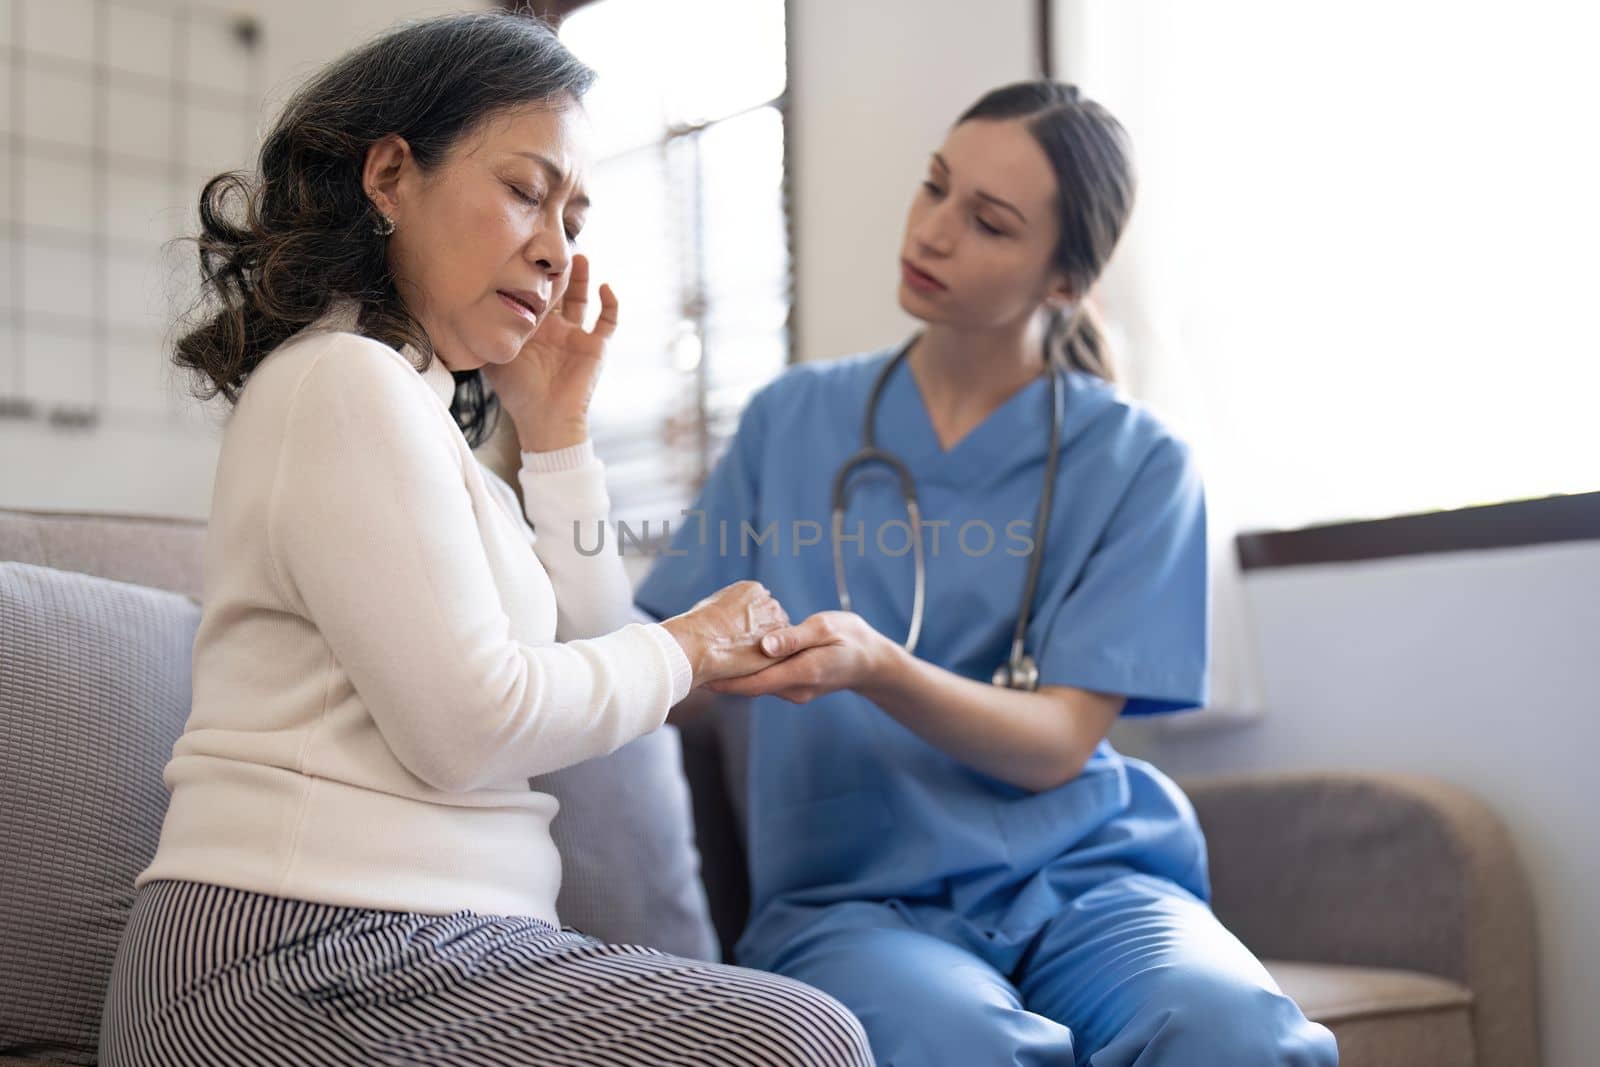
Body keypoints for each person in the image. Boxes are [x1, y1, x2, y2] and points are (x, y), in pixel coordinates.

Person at [98, 13, 873, 1066]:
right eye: (525, 191)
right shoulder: (343, 380)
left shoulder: (413, 412)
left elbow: (593, 636)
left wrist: (555, 432)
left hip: (417, 942)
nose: (557, 247)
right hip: (293, 955)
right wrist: (688, 645)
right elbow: (469, 725)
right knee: (798, 1037)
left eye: (575, 213)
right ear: (389, 176)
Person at [636, 82, 1339, 1065]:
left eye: (987, 223)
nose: (931, 233)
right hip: (851, 904)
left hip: (1090, 881)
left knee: (1230, 1028)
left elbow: (1057, 740)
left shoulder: (1138, 462)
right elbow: (653, 657)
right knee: (954, 1041)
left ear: (1062, 279)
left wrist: (878, 667)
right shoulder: (790, 422)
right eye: (934, 188)